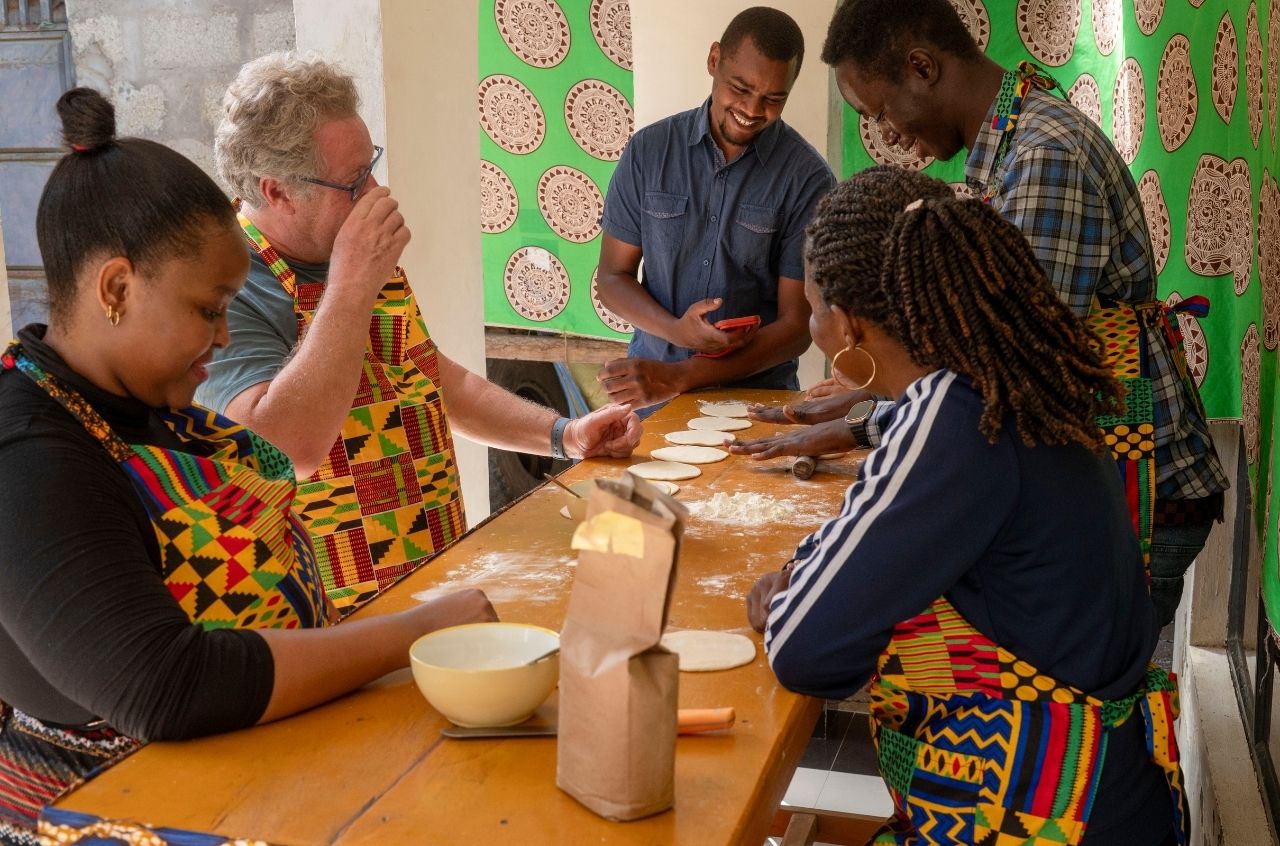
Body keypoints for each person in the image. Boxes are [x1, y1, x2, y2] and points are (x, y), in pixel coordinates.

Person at [0, 89, 497, 846]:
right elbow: (164, 684)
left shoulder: (145, 409)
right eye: (209, 309)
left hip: (256, 778)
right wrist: (416, 631)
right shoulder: (29, 453)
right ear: (116, 288)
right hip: (120, 812)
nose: (226, 338)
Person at [734, 0, 1227, 628]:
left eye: (881, 111)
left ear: (922, 67)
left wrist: (871, 421)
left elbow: (1014, 364)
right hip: (1095, 473)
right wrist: (873, 402)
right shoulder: (1016, 142)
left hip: (1141, 484)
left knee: (1091, 686)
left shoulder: (1046, 158)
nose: (886, 134)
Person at [748, 167, 1186, 846]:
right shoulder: (1001, 383)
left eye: (810, 309)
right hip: (1098, 789)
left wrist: (778, 601)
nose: (812, 327)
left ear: (847, 324)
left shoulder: (952, 420)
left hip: (1051, 816)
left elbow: (808, 650)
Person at [202, 53, 642, 612]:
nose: (374, 192)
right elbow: (285, 450)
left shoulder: (352, 253)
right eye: (353, 181)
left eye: (372, 166)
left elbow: (433, 379)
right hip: (335, 619)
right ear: (278, 192)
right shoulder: (232, 284)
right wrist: (352, 282)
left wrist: (564, 434)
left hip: (433, 578)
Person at [594, 6, 835, 413]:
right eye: (739, 88)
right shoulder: (649, 152)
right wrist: (677, 332)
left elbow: (796, 328)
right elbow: (612, 279)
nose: (753, 110)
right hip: (650, 393)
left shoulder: (807, 179)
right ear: (713, 60)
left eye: (774, 98)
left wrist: (686, 374)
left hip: (756, 403)